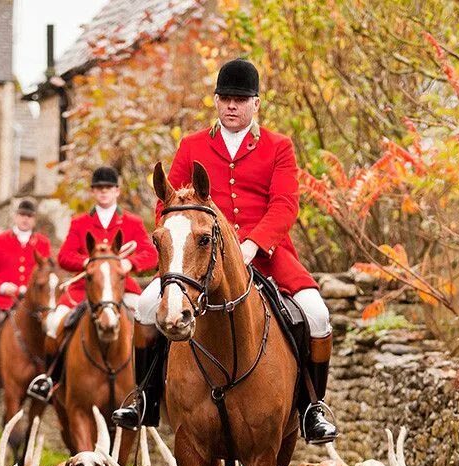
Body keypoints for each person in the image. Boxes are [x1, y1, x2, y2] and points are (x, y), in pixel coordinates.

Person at [111, 58, 337, 444]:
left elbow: (285, 205)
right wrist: (174, 235)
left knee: (317, 313)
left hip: (265, 254)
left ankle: (312, 408)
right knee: (145, 306)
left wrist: (252, 243)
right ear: (216, 101)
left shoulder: (278, 147)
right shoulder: (193, 145)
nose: (232, 106)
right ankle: (145, 398)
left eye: (241, 99)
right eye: (225, 98)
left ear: (256, 104)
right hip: (198, 256)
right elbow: (168, 201)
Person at [26, 166, 157, 400]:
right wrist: (88, 262)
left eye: (108, 188)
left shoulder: (132, 222)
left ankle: (149, 386)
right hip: (83, 291)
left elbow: (151, 254)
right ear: (93, 192)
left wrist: (130, 264)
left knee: (147, 324)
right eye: (99, 189)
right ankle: (51, 380)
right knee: (54, 323)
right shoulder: (79, 223)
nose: (104, 192)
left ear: (117, 191)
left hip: (122, 289)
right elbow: (65, 256)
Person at [0, 198, 51, 380]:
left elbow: (45, 271)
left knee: (50, 325)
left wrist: (29, 289)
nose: (25, 219)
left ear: (34, 219)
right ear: (15, 217)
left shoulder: (43, 243)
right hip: (1, 299)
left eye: (29, 216)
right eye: (22, 215)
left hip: (31, 301)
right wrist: (2, 286)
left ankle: (51, 370)